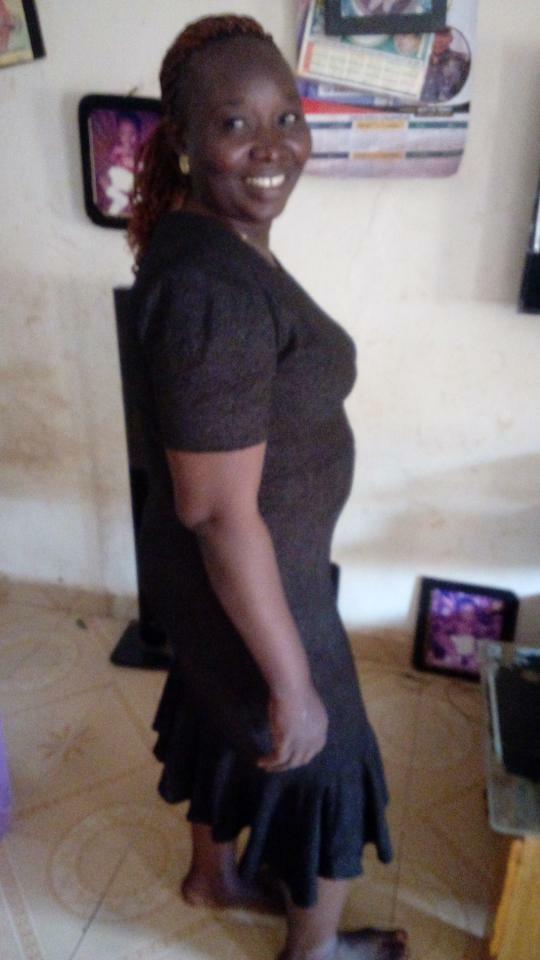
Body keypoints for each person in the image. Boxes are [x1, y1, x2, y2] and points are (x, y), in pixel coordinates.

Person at [127, 15, 408, 960]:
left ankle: (213, 879)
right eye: (235, 123)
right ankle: (313, 952)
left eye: (287, 116)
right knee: (329, 752)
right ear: (185, 139)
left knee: (218, 707)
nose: (273, 146)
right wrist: (294, 684)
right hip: (255, 575)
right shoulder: (213, 288)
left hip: (224, 576)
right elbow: (215, 511)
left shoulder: (214, 241)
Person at [421, 28, 470, 103]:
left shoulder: (463, 61)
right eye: (433, 35)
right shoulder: (413, 59)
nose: (438, 40)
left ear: (451, 38)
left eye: (443, 35)